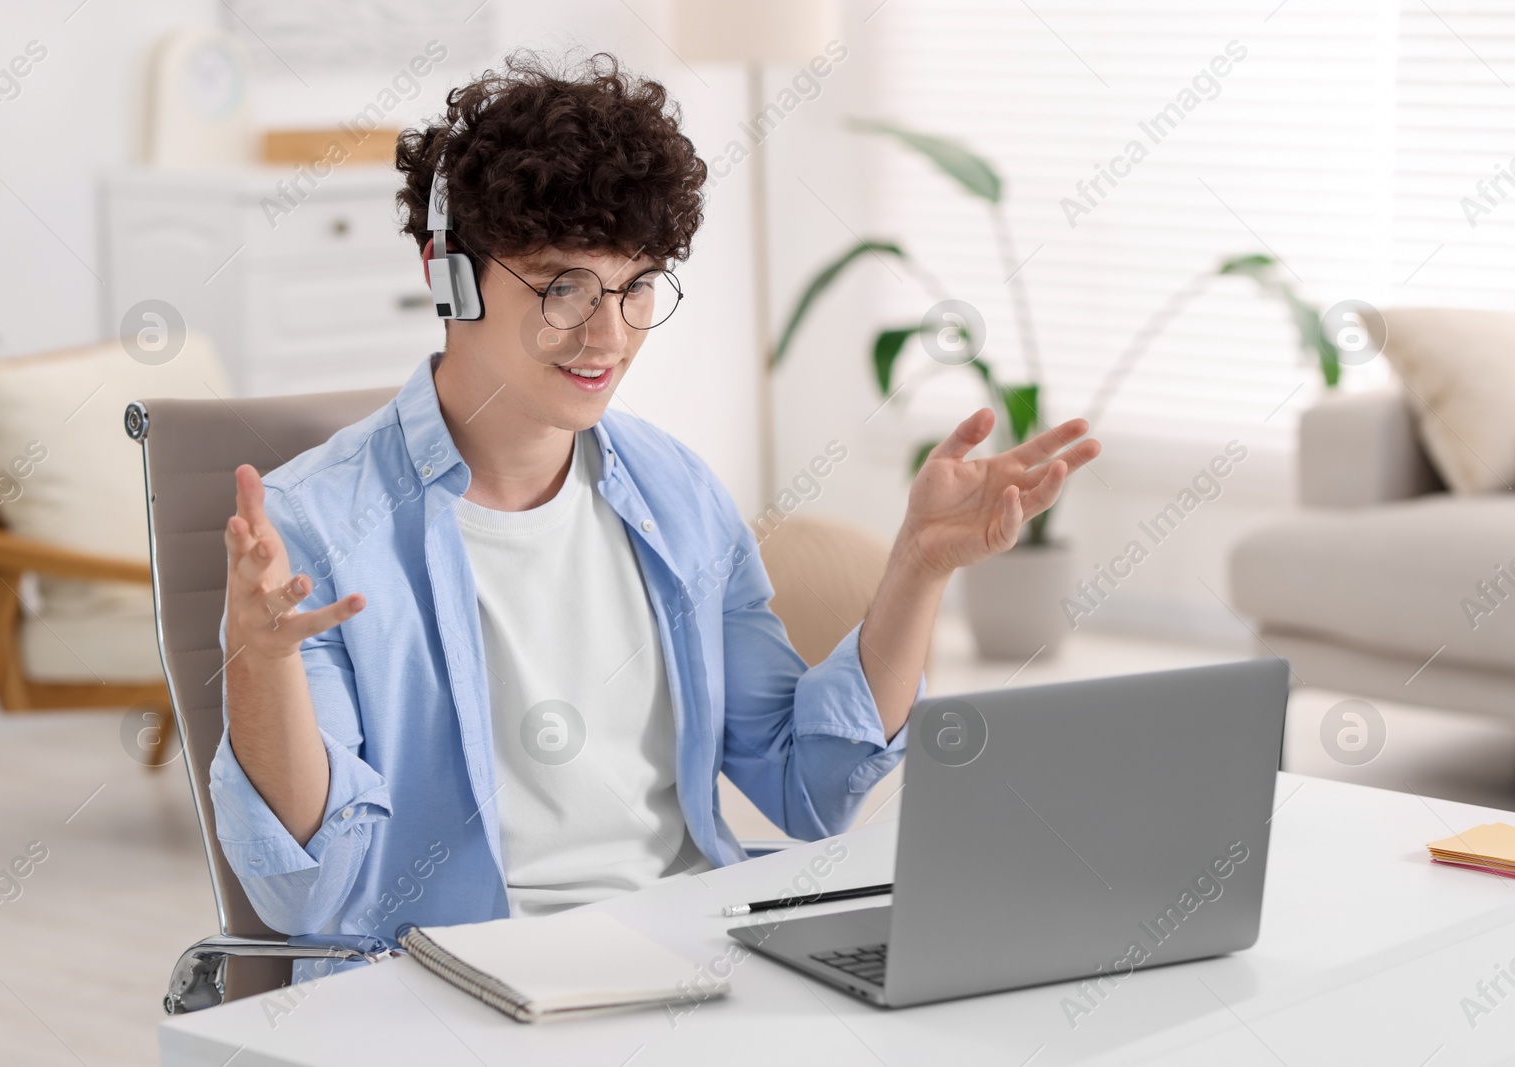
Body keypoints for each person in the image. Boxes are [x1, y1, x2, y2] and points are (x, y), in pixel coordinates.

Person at [212, 52, 1100, 956]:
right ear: (451, 276)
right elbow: (305, 894)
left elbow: (809, 785)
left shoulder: (672, 492)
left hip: (692, 951)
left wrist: (917, 566)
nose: (608, 337)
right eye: (563, 288)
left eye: (636, 288)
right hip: (461, 982)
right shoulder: (314, 523)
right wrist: (260, 663)